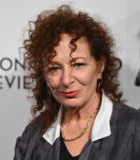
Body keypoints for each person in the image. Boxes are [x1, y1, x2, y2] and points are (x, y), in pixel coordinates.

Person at [14, 5, 140, 160]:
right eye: (54, 68)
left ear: (100, 66)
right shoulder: (32, 138)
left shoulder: (134, 129)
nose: (66, 80)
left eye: (78, 65)